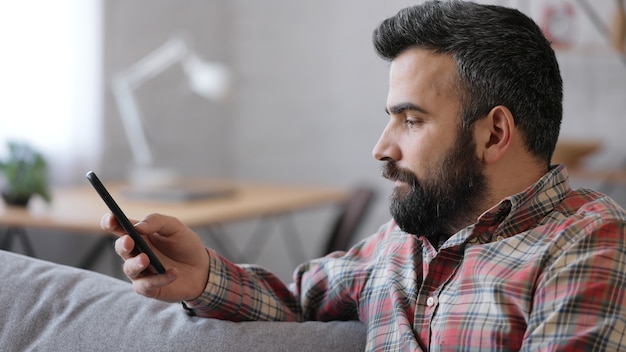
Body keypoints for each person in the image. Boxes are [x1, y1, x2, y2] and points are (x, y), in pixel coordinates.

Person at [102, 1, 626, 351]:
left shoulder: (588, 240)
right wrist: (199, 276)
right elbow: (295, 301)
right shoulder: (398, 245)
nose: (381, 148)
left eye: (412, 119)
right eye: (389, 118)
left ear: (493, 134)